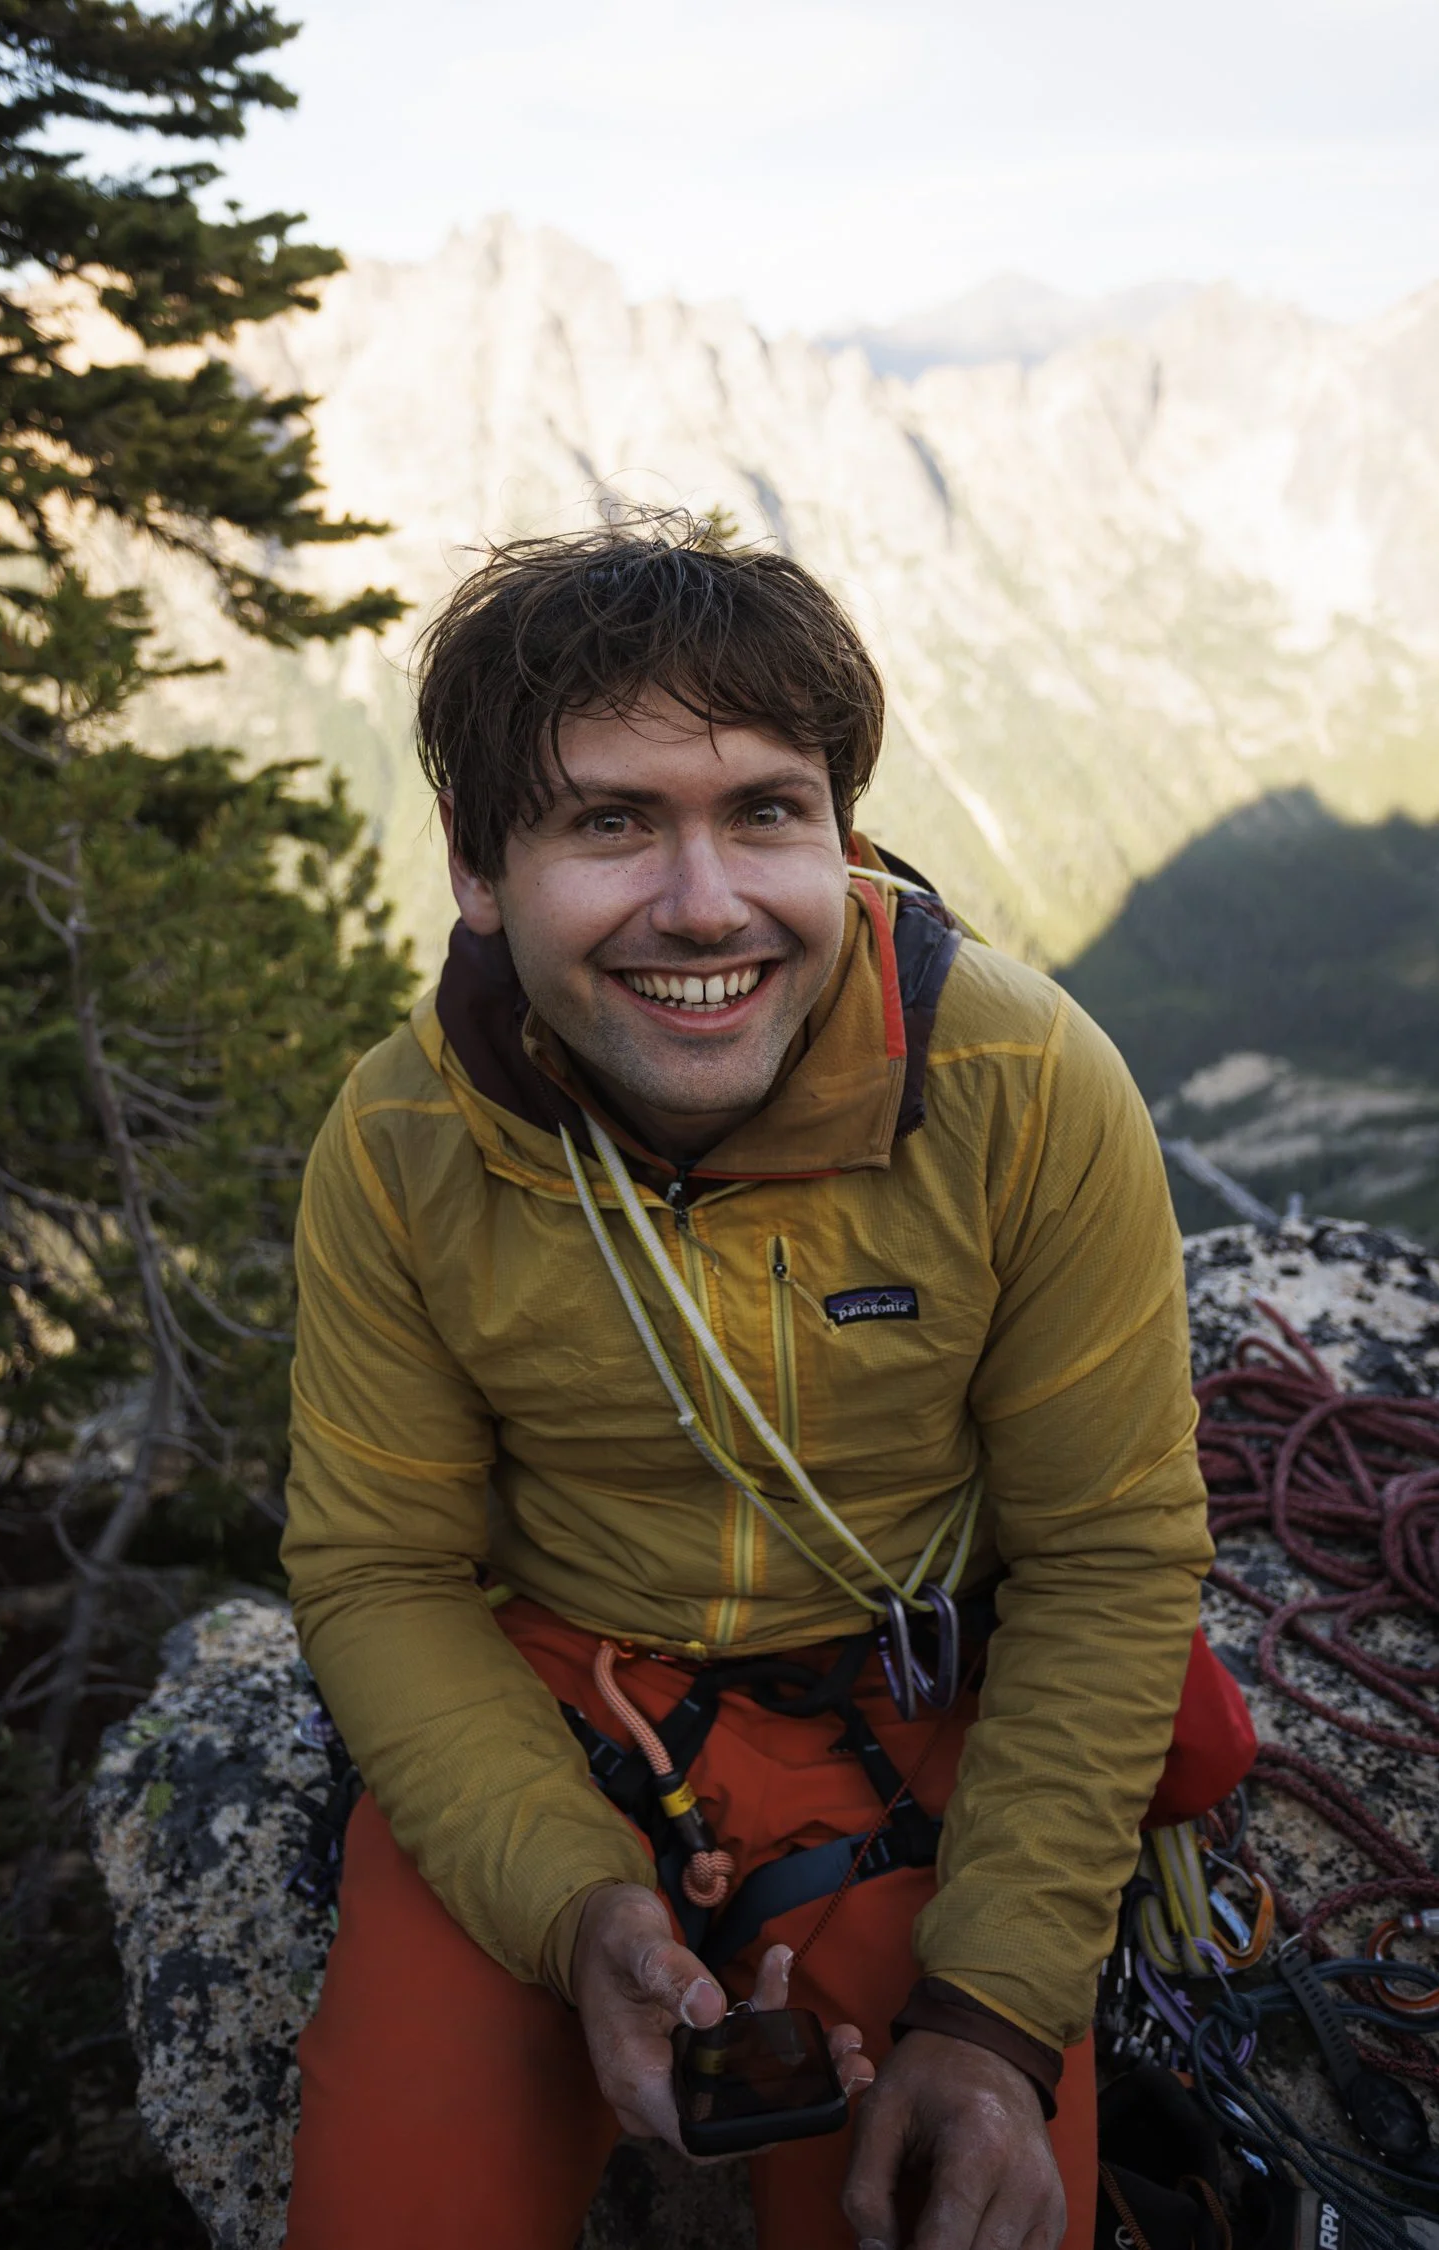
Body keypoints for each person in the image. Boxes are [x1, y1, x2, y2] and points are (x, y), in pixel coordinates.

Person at [280, 517, 1252, 2250]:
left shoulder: (1023, 1087)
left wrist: (994, 2010)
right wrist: (568, 1901)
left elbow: (1106, 1555)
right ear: (478, 863)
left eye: (766, 811)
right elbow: (384, 1568)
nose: (706, 902)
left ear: (841, 831)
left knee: (957, 2207)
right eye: (609, 821)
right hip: (560, 1701)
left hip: (915, 1695)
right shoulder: (406, 1143)